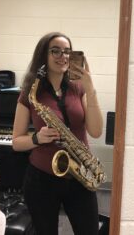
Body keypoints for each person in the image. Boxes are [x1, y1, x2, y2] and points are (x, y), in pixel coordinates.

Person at [12, 32, 103, 235]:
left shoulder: (78, 88)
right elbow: (16, 142)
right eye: (56, 51)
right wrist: (37, 138)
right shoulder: (30, 92)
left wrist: (90, 87)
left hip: (81, 173)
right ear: (43, 55)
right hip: (41, 180)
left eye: (67, 51)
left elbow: (96, 131)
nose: (63, 56)